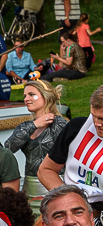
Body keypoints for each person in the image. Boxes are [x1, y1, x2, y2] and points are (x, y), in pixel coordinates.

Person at [4, 80, 67, 208]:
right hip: (30, 187)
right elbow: (8, 148)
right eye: (25, 96)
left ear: (45, 96)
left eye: (32, 94)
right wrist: (34, 125)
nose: (26, 99)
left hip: (54, 185)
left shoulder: (60, 124)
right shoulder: (25, 126)